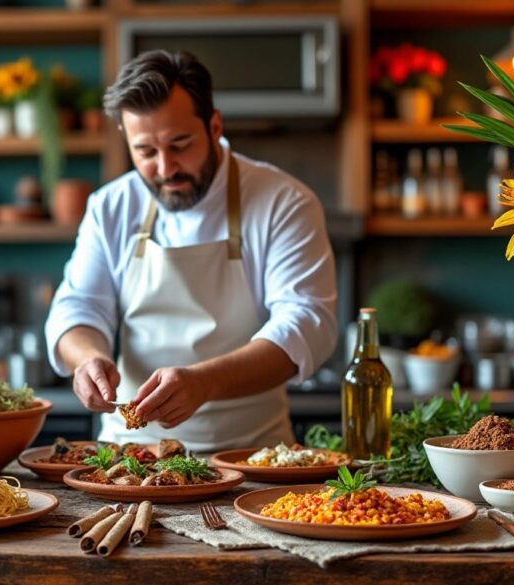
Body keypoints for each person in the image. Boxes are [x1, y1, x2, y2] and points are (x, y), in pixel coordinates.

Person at [45, 50, 337, 451]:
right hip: (128, 458)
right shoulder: (111, 207)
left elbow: (306, 324)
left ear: (214, 126)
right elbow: (76, 308)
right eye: (146, 152)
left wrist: (206, 382)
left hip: (252, 459)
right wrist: (88, 358)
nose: (166, 168)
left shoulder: (283, 202)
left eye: (180, 144)